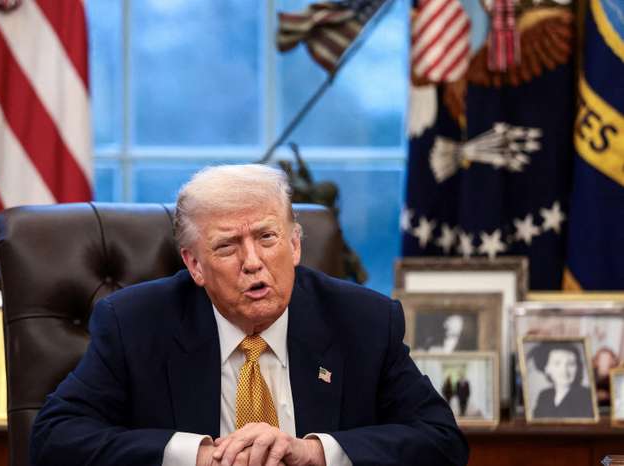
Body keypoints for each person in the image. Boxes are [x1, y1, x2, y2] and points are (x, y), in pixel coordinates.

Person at [30, 164, 468, 466]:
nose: (253, 262)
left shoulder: (365, 320)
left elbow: (442, 441)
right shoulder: (134, 324)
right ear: (195, 265)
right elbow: (54, 438)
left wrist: (315, 453)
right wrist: (197, 456)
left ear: (295, 245)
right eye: (227, 246)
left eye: (267, 237)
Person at [530, 342, 594, 418]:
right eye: (557, 363)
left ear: (578, 367)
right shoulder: (544, 396)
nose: (564, 370)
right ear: (547, 368)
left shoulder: (586, 395)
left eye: (571, 364)